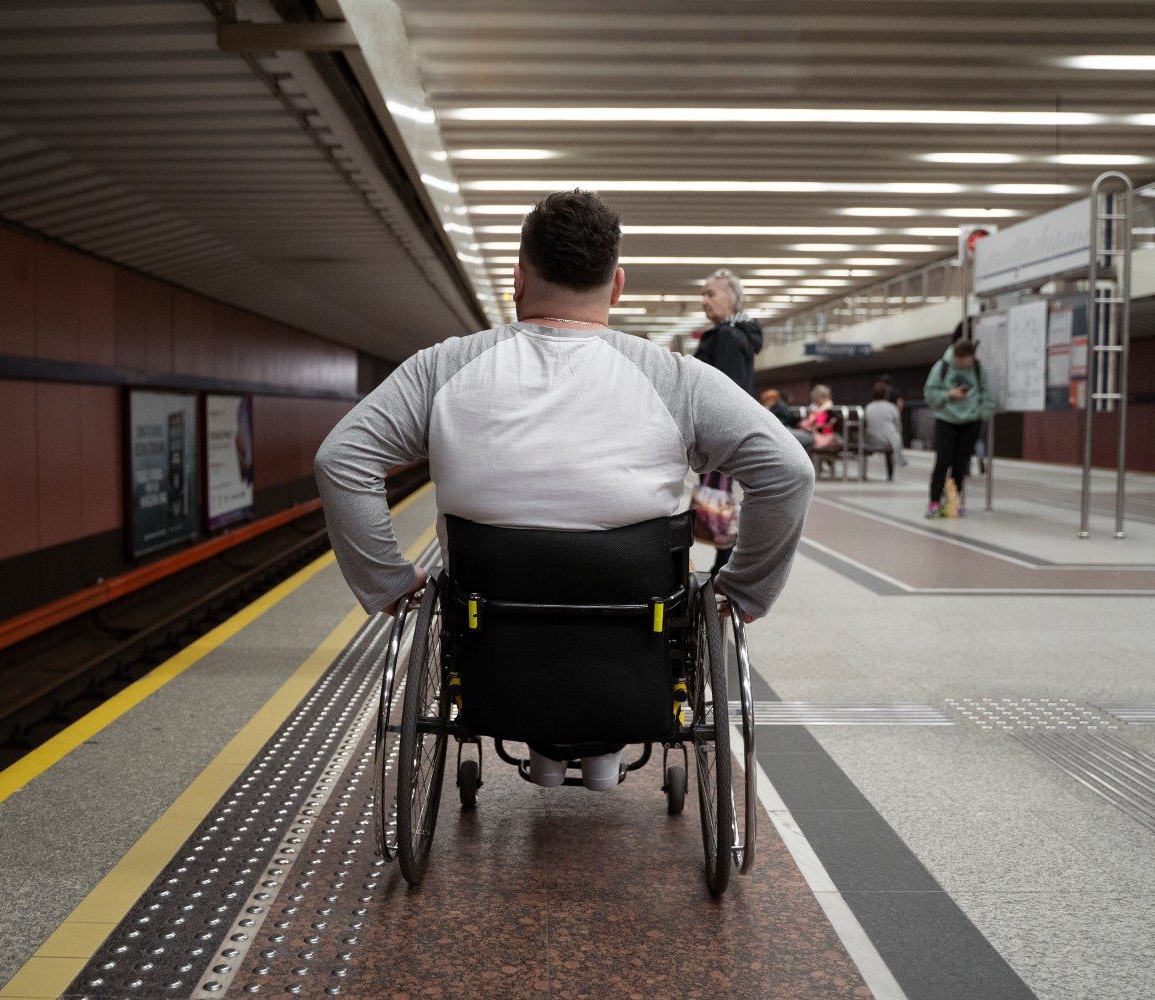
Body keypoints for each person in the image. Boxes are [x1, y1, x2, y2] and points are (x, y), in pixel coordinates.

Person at [313, 190, 813, 791]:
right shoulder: (675, 378)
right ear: (617, 285)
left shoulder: (441, 368)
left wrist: (385, 580)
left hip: (489, 637)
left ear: (518, 279)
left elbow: (342, 459)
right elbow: (789, 471)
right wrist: (745, 590)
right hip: (637, 632)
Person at [695, 268, 764, 574]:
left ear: (733, 299)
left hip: (719, 434)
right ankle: (723, 561)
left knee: (716, 497)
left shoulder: (725, 336)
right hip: (728, 433)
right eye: (703, 294)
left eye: (711, 294)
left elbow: (722, 390)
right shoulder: (738, 335)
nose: (704, 301)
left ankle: (723, 564)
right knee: (719, 497)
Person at [923, 339, 994, 518]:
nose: (962, 364)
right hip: (946, 420)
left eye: (966, 361)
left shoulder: (978, 369)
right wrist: (948, 394)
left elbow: (987, 393)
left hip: (970, 421)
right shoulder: (942, 367)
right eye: (959, 360)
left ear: (971, 357)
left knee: (961, 464)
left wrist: (982, 413)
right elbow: (929, 393)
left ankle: (953, 501)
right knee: (942, 461)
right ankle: (934, 501)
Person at [864, 382, 903, 480]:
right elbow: (898, 426)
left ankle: (863, 472)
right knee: (893, 439)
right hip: (888, 440)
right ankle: (890, 475)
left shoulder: (868, 407)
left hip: (871, 440)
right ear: (886, 395)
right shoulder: (892, 407)